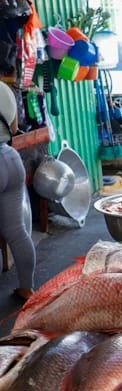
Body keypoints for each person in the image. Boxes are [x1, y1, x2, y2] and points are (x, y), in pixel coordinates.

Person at [0, 81, 35, 299]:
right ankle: (26, 287)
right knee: (17, 232)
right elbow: (13, 129)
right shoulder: (5, 89)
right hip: (10, 159)